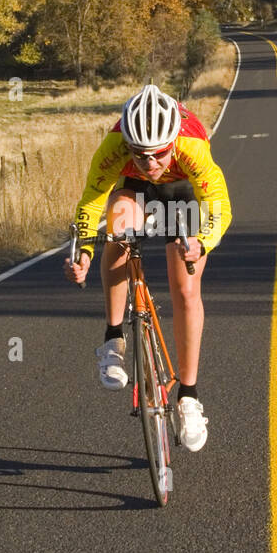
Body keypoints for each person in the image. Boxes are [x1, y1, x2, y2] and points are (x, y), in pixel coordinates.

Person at [64, 83, 232, 452]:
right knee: (118, 226)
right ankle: (113, 339)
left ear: (172, 142)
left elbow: (218, 203)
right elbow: (92, 200)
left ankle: (188, 397)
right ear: (128, 144)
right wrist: (85, 252)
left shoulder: (192, 147)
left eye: (158, 154)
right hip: (135, 191)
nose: (151, 163)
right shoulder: (114, 147)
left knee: (185, 284)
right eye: (141, 154)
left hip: (184, 191)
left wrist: (201, 242)